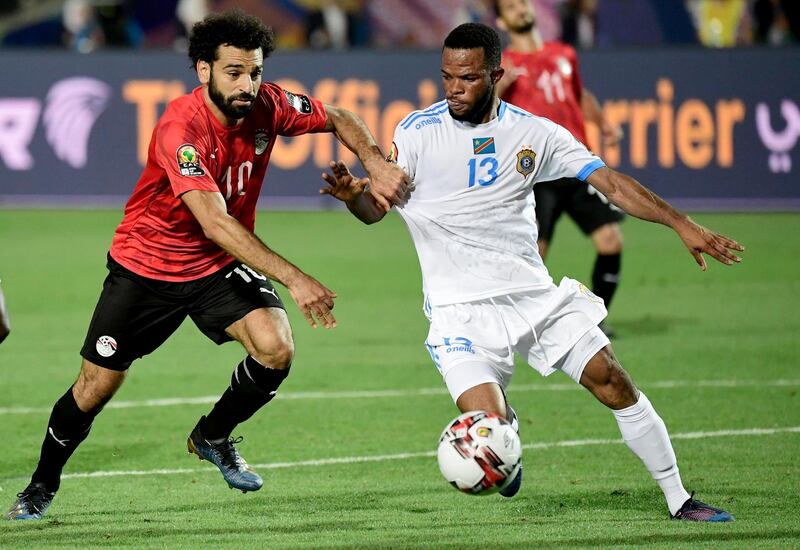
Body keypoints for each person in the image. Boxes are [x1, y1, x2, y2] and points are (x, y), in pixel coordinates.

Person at [320, 22, 741, 521]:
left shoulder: (534, 133)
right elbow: (377, 209)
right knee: (487, 429)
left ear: (496, 74)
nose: (454, 88)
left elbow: (610, 182)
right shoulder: (416, 133)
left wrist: (679, 222)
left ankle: (679, 498)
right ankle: (507, 430)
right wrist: (354, 199)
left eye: (469, 78)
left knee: (612, 380)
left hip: (529, 295)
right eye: (447, 76)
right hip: (459, 313)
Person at [6, 10, 408, 521]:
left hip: (216, 267)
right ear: (204, 71)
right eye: (234, 72)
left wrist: (374, 161)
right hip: (147, 268)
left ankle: (212, 435)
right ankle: (42, 484)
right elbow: (214, 222)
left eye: (255, 71)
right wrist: (296, 278)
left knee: (276, 347)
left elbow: (339, 118)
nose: (248, 85)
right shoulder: (181, 128)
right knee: (95, 388)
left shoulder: (268, 104)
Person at [493, 0, 624, 337]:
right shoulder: (505, 66)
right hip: (537, 173)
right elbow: (484, 114)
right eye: (510, 7)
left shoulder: (563, 53)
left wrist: (603, 122)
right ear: (502, 22)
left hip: (578, 163)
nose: (520, 9)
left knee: (610, 240)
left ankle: (597, 319)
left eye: (521, 3)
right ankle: (517, 323)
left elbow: (578, 96)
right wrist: (499, 87)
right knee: (535, 253)